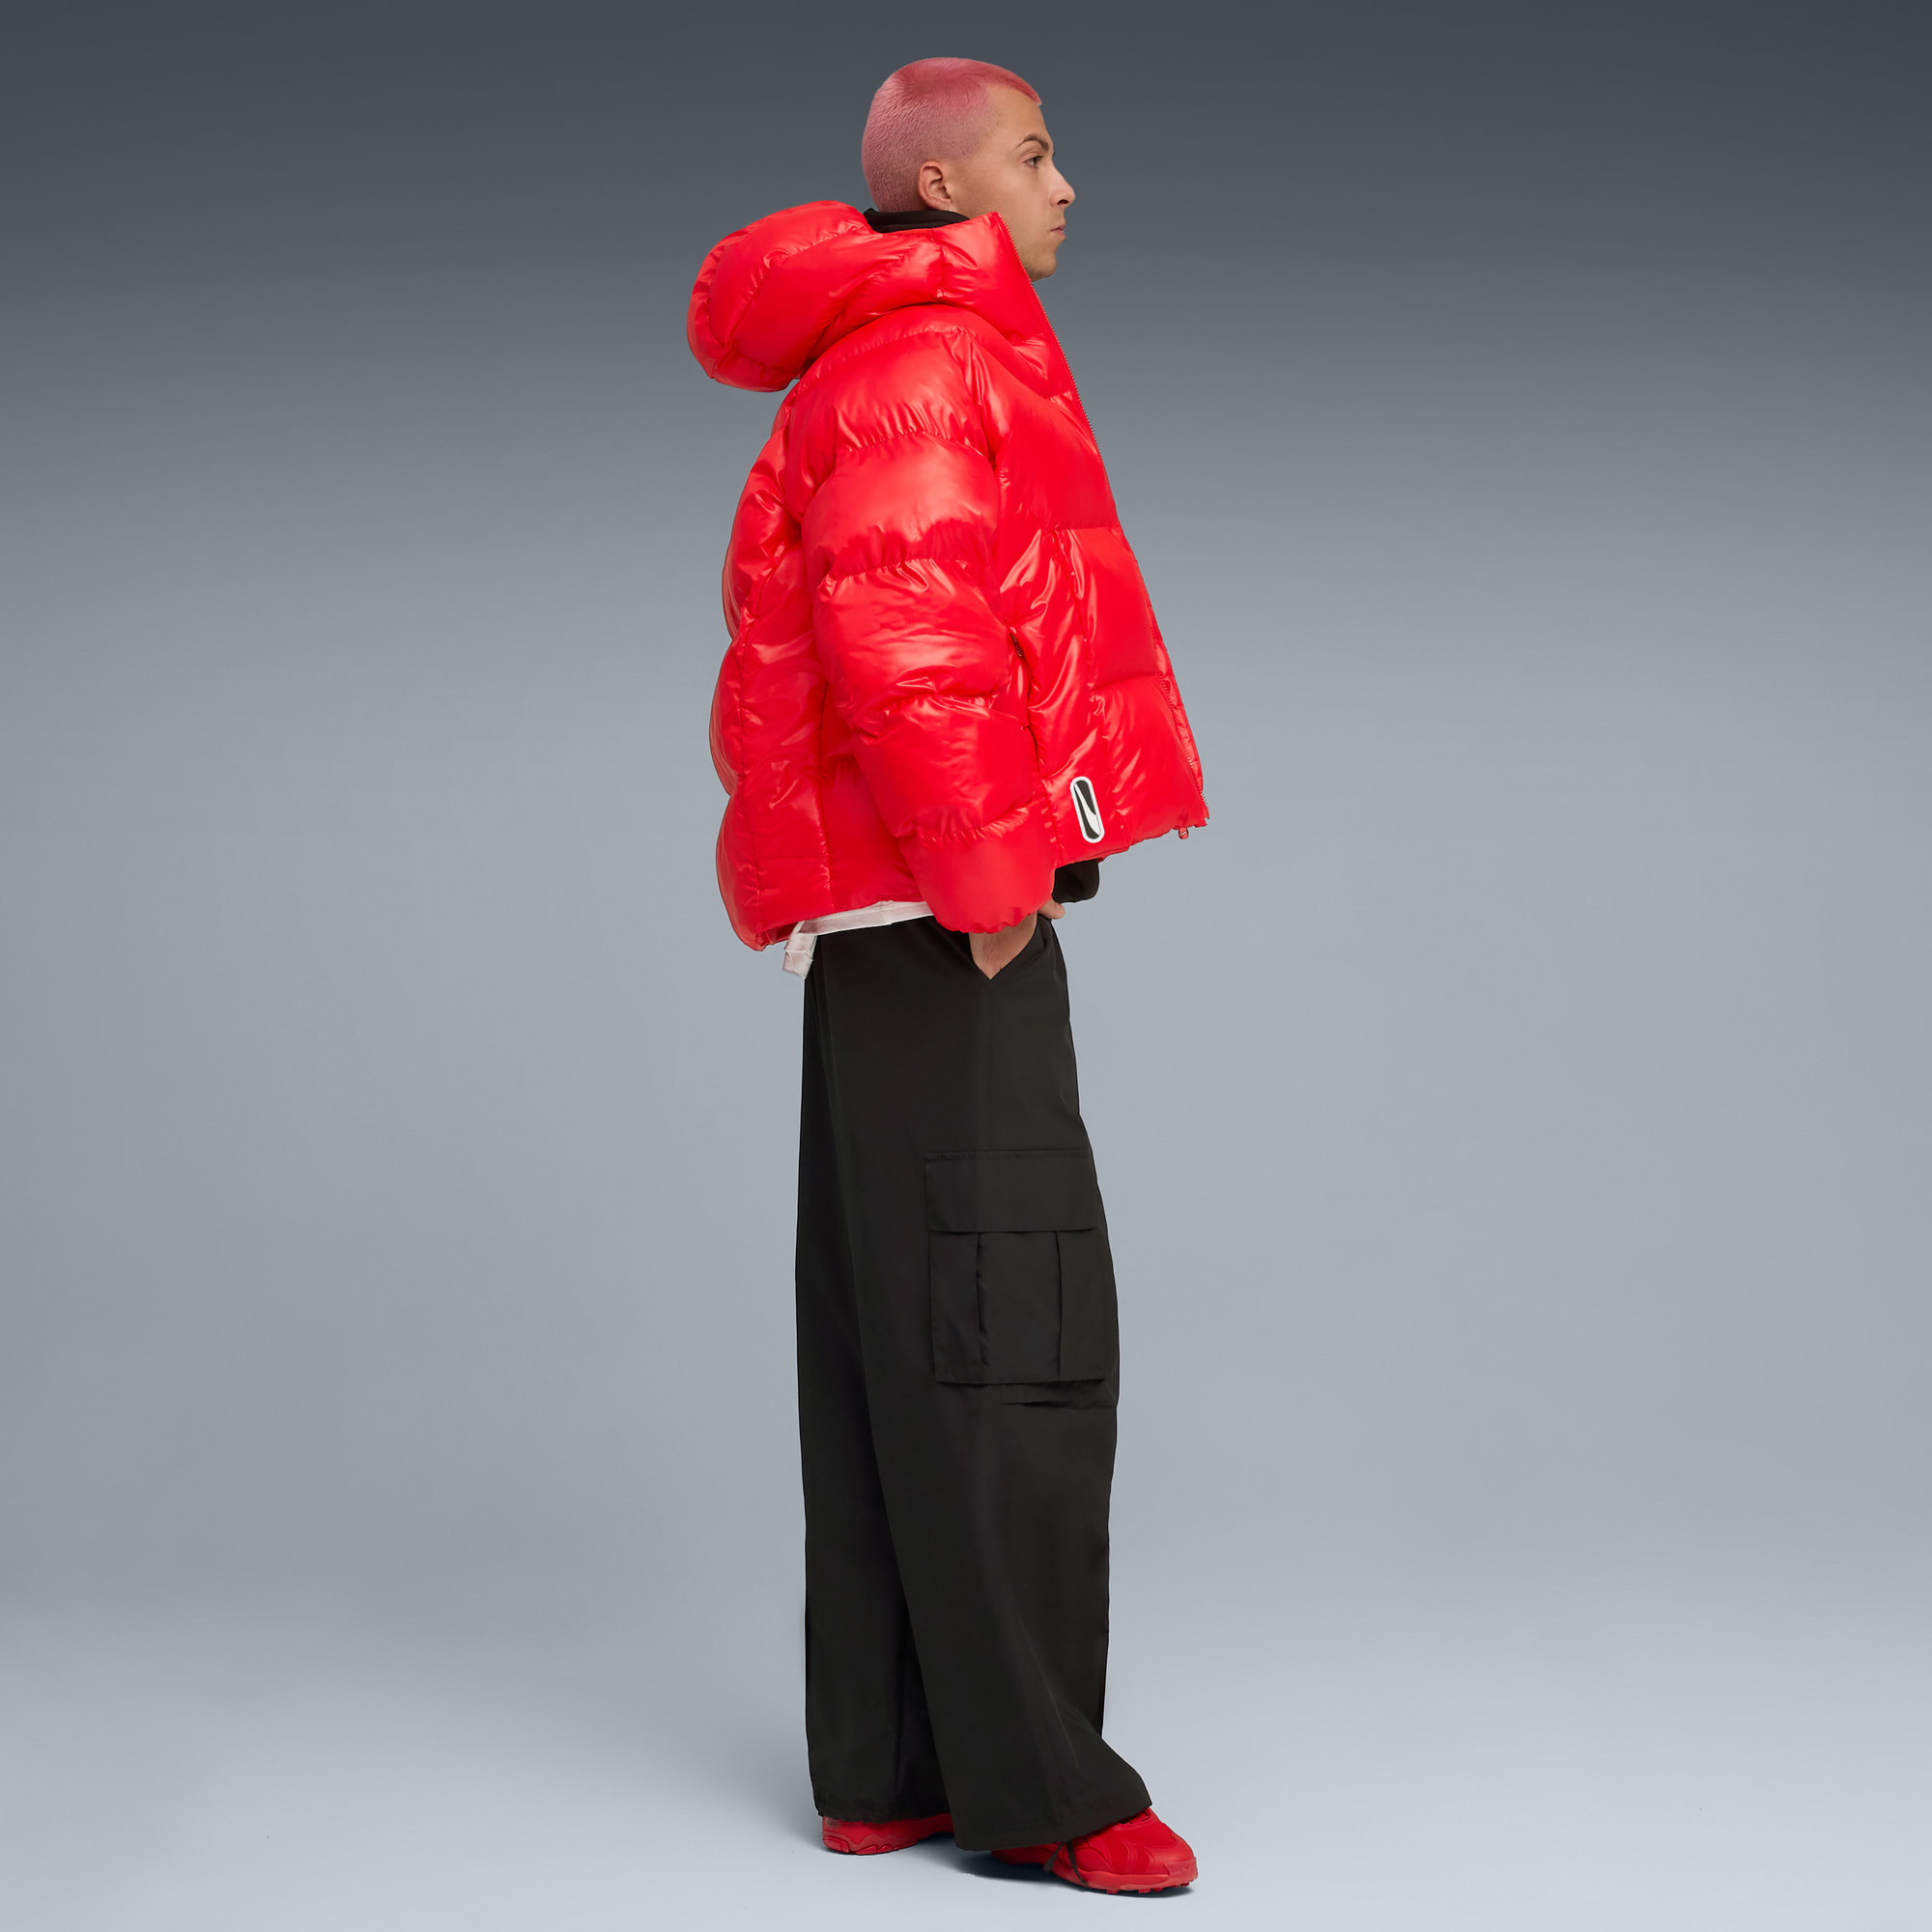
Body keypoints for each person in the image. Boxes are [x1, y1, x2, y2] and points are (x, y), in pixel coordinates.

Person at [686, 56, 1208, 1896]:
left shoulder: (888, 353)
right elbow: (907, 632)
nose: (1068, 186)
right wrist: (993, 871)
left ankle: (892, 1766)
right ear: (940, 185)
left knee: (897, 1336)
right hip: (938, 906)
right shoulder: (926, 359)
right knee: (1011, 1340)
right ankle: (1050, 1791)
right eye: (1035, 156)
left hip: (884, 925)